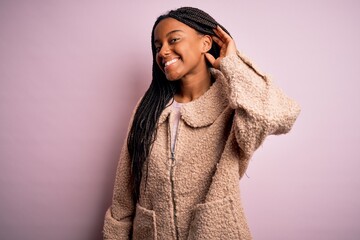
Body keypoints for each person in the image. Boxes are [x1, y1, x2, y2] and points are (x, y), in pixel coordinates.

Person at [103, 6, 300, 240]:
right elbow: (125, 190)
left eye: (173, 39)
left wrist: (233, 65)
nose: (163, 51)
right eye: (157, 46)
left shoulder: (232, 103)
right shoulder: (149, 108)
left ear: (205, 44)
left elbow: (277, 115)